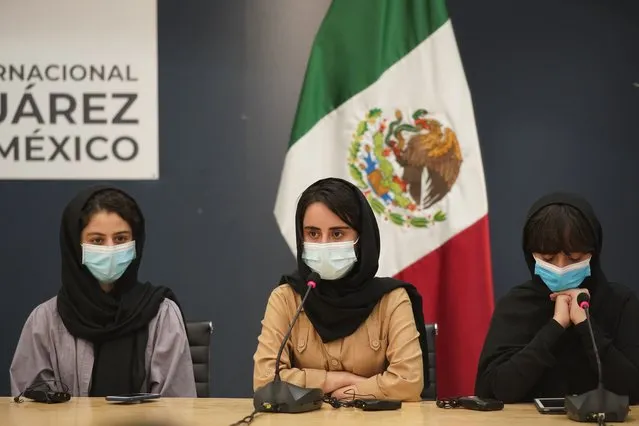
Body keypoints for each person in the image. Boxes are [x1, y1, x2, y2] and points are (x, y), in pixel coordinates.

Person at [253, 177, 429, 401]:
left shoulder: (392, 300)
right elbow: (265, 381)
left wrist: (330, 389)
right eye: (313, 234)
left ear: (360, 238)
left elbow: (409, 383)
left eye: (337, 234)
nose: (324, 244)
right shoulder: (286, 298)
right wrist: (340, 381)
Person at [10, 186, 197, 397]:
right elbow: (28, 409)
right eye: (97, 240)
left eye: (120, 239)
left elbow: (177, 410)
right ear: (75, 245)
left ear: (136, 243)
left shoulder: (161, 315)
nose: (110, 249)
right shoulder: (44, 321)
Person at [475, 192, 639, 403]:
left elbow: (634, 391)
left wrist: (585, 325)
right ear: (531, 255)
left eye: (574, 258)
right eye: (548, 258)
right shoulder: (516, 305)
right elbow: (492, 391)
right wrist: (556, 326)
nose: (560, 268)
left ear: (593, 254)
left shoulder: (621, 303)